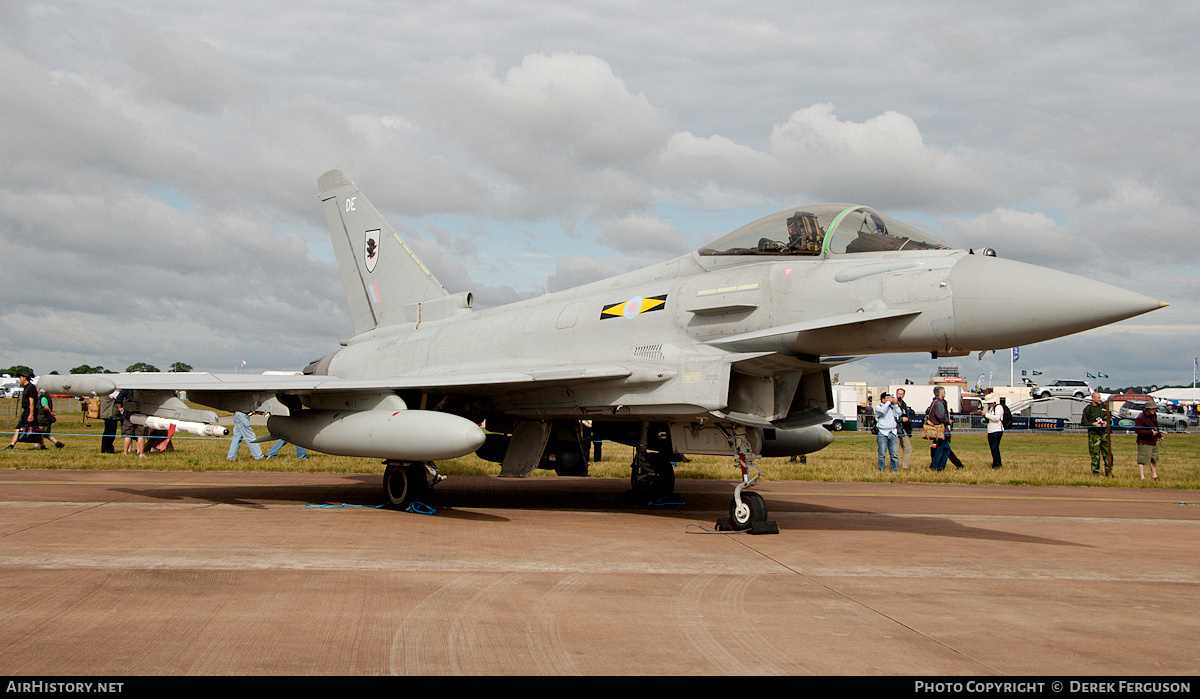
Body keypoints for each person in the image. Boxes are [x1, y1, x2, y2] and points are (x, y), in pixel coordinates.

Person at [6, 371, 42, 449]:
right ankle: (41, 446)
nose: (19, 379)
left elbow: (31, 401)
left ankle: (11, 445)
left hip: (29, 410)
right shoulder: (26, 387)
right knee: (35, 428)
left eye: (20, 378)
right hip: (27, 410)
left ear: (24, 378)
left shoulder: (31, 387)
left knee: (18, 428)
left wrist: (31, 414)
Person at [1080, 392, 1112, 476]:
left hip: (1104, 434)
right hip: (1094, 435)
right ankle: (1095, 473)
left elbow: (1110, 419)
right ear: (1093, 399)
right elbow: (1083, 422)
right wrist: (1092, 424)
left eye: (1100, 397)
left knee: (1108, 454)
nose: (1099, 399)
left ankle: (1109, 473)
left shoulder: (1104, 407)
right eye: (1098, 398)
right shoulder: (1088, 409)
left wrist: (1106, 422)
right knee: (1095, 454)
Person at [1133, 401, 1162, 481]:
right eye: (1153, 408)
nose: (1154, 410)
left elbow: (1156, 426)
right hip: (1144, 441)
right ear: (1147, 409)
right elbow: (1137, 430)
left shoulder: (1153, 416)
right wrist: (1150, 433)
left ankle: (1154, 476)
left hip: (1153, 441)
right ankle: (1142, 477)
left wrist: (1159, 436)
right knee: (1142, 459)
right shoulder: (1141, 417)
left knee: (1153, 459)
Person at [926, 386, 952, 471]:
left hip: (940, 430)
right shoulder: (939, 403)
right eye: (944, 392)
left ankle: (939, 467)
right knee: (939, 450)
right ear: (940, 393)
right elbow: (940, 416)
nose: (945, 393)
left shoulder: (935, 402)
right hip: (939, 430)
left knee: (946, 449)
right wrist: (948, 421)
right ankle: (936, 467)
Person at [874, 392, 901, 472]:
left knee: (894, 454)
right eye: (887, 398)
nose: (890, 399)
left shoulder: (891, 407)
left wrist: (895, 405)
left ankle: (894, 470)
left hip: (892, 432)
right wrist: (888, 402)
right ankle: (881, 469)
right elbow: (882, 411)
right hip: (882, 433)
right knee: (882, 454)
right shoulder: (878, 407)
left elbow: (899, 414)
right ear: (883, 399)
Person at [116, 388, 146, 457]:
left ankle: (125, 453)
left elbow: (119, 399)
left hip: (128, 413)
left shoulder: (127, 388)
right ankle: (141, 453)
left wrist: (120, 408)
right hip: (141, 413)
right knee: (141, 435)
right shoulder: (144, 389)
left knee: (127, 434)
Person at [895, 387, 915, 469]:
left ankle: (905, 466)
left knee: (908, 448)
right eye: (899, 394)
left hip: (903, 429)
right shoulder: (893, 404)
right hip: (895, 429)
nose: (900, 395)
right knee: (895, 450)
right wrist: (900, 419)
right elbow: (891, 417)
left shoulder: (904, 404)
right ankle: (893, 467)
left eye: (901, 394)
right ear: (896, 394)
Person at [983, 393, 1004, 468]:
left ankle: (997, 465)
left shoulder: (998, 407)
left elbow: (997, 418)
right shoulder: (990, 409)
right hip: (990, 431)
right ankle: (995, 463)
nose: (988, 404)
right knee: (992, 449)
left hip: (997, 431)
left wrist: (986, 415)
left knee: (995, 448)